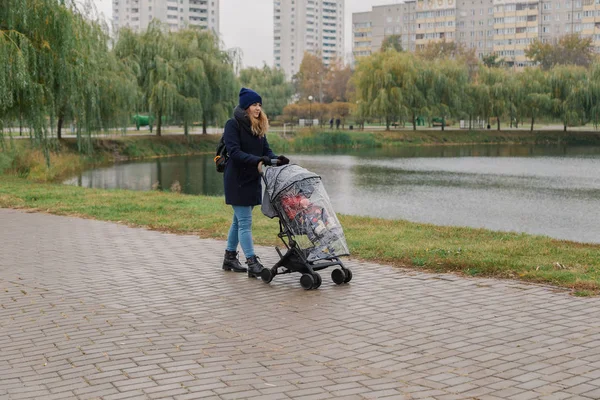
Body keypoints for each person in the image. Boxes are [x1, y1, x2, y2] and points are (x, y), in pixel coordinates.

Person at [221, 88, 290, 278]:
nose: (258, 108)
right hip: (236, 179)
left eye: (259, 104)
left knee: (238, 221)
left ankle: (229, 257)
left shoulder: (258, 126)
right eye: (254, 104)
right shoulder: (232, 125)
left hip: (251, 179)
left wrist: (276, 159)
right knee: (244, 222)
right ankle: (251, 261)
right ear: (245, 107)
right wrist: (260, 159)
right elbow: (234, 153)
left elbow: (266, 150)